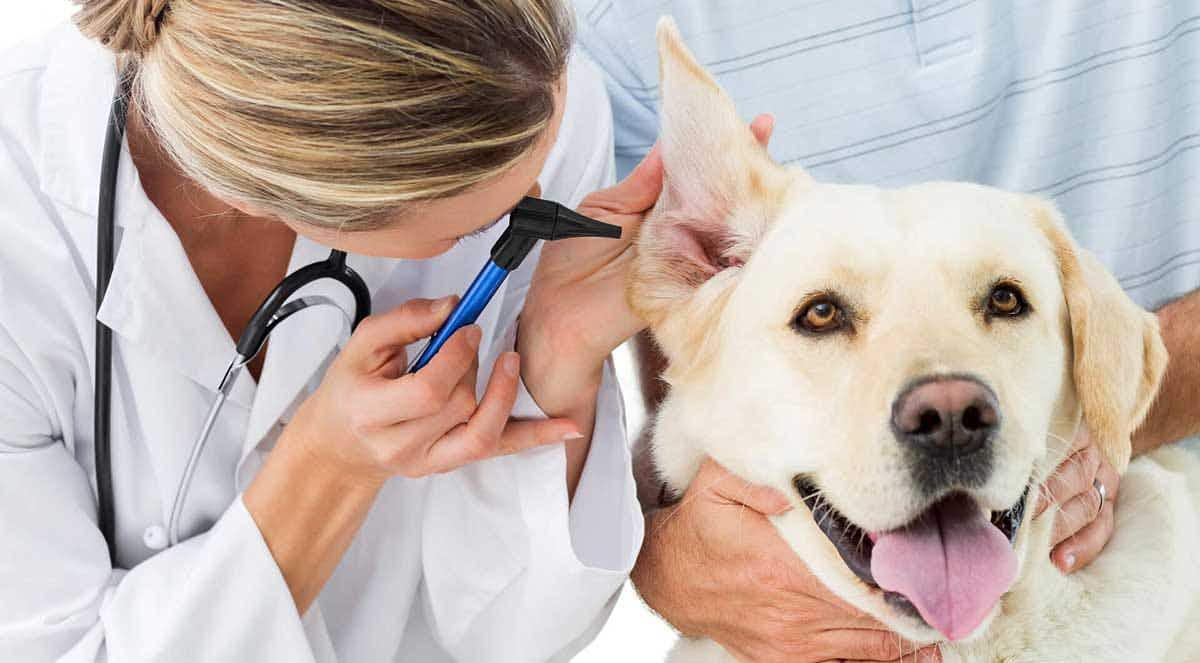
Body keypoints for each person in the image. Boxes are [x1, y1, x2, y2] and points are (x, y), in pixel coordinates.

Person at [0, 1, 665, 660]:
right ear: (259, 195)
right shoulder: (20, 242)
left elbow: (509, 637)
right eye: (469, 231)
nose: (535, 202)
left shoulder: (531, 94)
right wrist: (330, 463)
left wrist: (557, 356)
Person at [576, 2, 1200, 662]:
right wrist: (663, 553)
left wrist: (1112, 418)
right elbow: (648, 416)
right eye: (824, 315)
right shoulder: (607, 27)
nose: (948, 401)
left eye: (1003, 302)